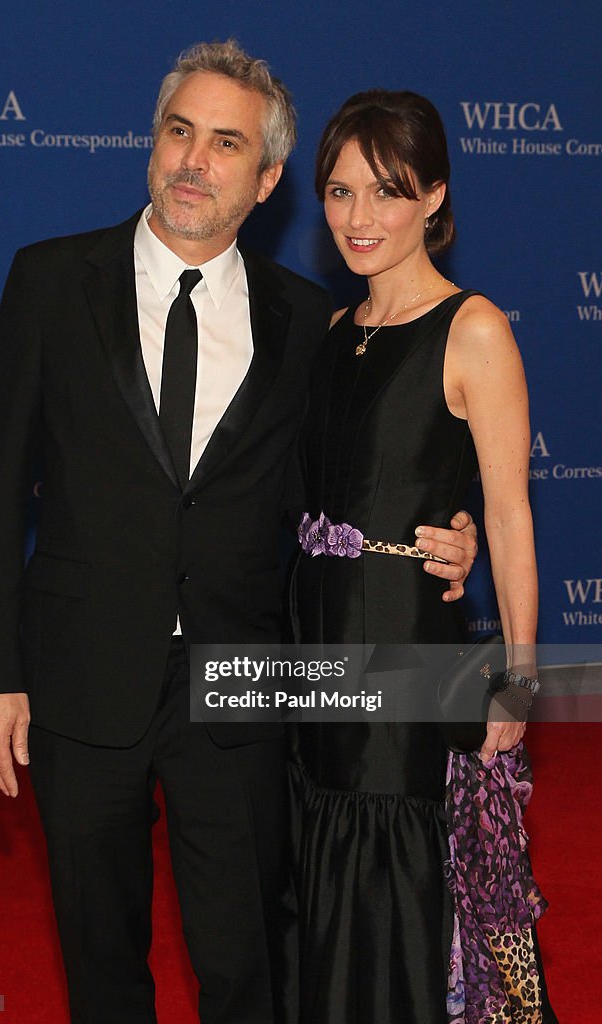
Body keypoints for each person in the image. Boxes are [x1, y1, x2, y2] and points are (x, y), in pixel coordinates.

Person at [0, 44, 477, 1024]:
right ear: (153, 144)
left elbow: (341, 496)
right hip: (79, 673)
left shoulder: (306, 318)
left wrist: (446, 539)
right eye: (178, 131)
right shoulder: (52, 279)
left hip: (239, 683)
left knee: (249, 958)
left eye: (225, 142)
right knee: (98, 953)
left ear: (267, 178)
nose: (193, 160)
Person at [289, 90, 557, 1023]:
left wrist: (518, 681)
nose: (359, 219)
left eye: (387, 192)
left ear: (435, 196)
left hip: (407, 659)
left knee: (395, 848)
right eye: (338, 191)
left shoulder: (473, 328)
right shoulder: (330, 336)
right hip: (311, 656)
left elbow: (510, 514)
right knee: (319, 840)